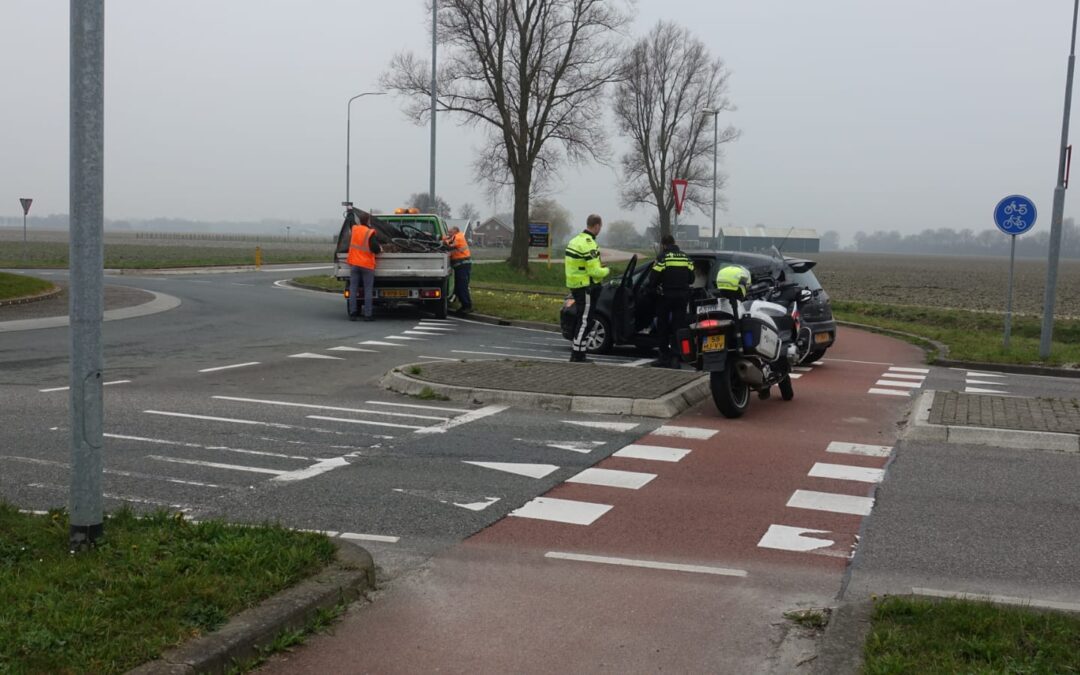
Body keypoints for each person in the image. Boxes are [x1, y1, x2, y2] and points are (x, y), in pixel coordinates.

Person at [565, 214, 610, 362]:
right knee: (585, 320)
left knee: (582, 319)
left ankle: (579, 351)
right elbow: (594, 272)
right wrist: (606, 271)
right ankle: (577, 354)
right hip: (587, 287)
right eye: (600, 227)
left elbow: (580, 265)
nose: (600, 230)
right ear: (596, 226)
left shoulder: (574, 240)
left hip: (575, 284)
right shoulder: (589, 244)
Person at [649, 234, 695, 368]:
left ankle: (664, 358)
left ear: (663, 245)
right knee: (678, 327)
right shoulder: (686, 258)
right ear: (674, 243)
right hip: (682, 297)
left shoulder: (663, 258)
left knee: (662, 327)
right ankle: (676, 358)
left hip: (666, 297)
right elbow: (691, 279)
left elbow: (653, 279)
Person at [347, 211, 381, 321]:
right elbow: (375, 249)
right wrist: (380, 249)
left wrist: (350, 212)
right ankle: (368, 315)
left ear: (360, 221)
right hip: (366, 265)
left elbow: (350, 222)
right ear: (368, 221)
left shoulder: (354, 230)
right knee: (367, 290)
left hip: (355, 264)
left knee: (353, 289)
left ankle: (353, 314)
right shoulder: (370, 232)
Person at [442, 225, 472, 313]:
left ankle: (467, 306)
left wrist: (443, 240)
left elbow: (450, 244)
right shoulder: (456, 236)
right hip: (460, 266)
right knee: (459, 286)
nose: (449, 234)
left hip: (463, 265)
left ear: (455, 231)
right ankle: (464, 306)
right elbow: (449, 241)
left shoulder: (458, 237)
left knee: (462, 286)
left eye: (450, 232)